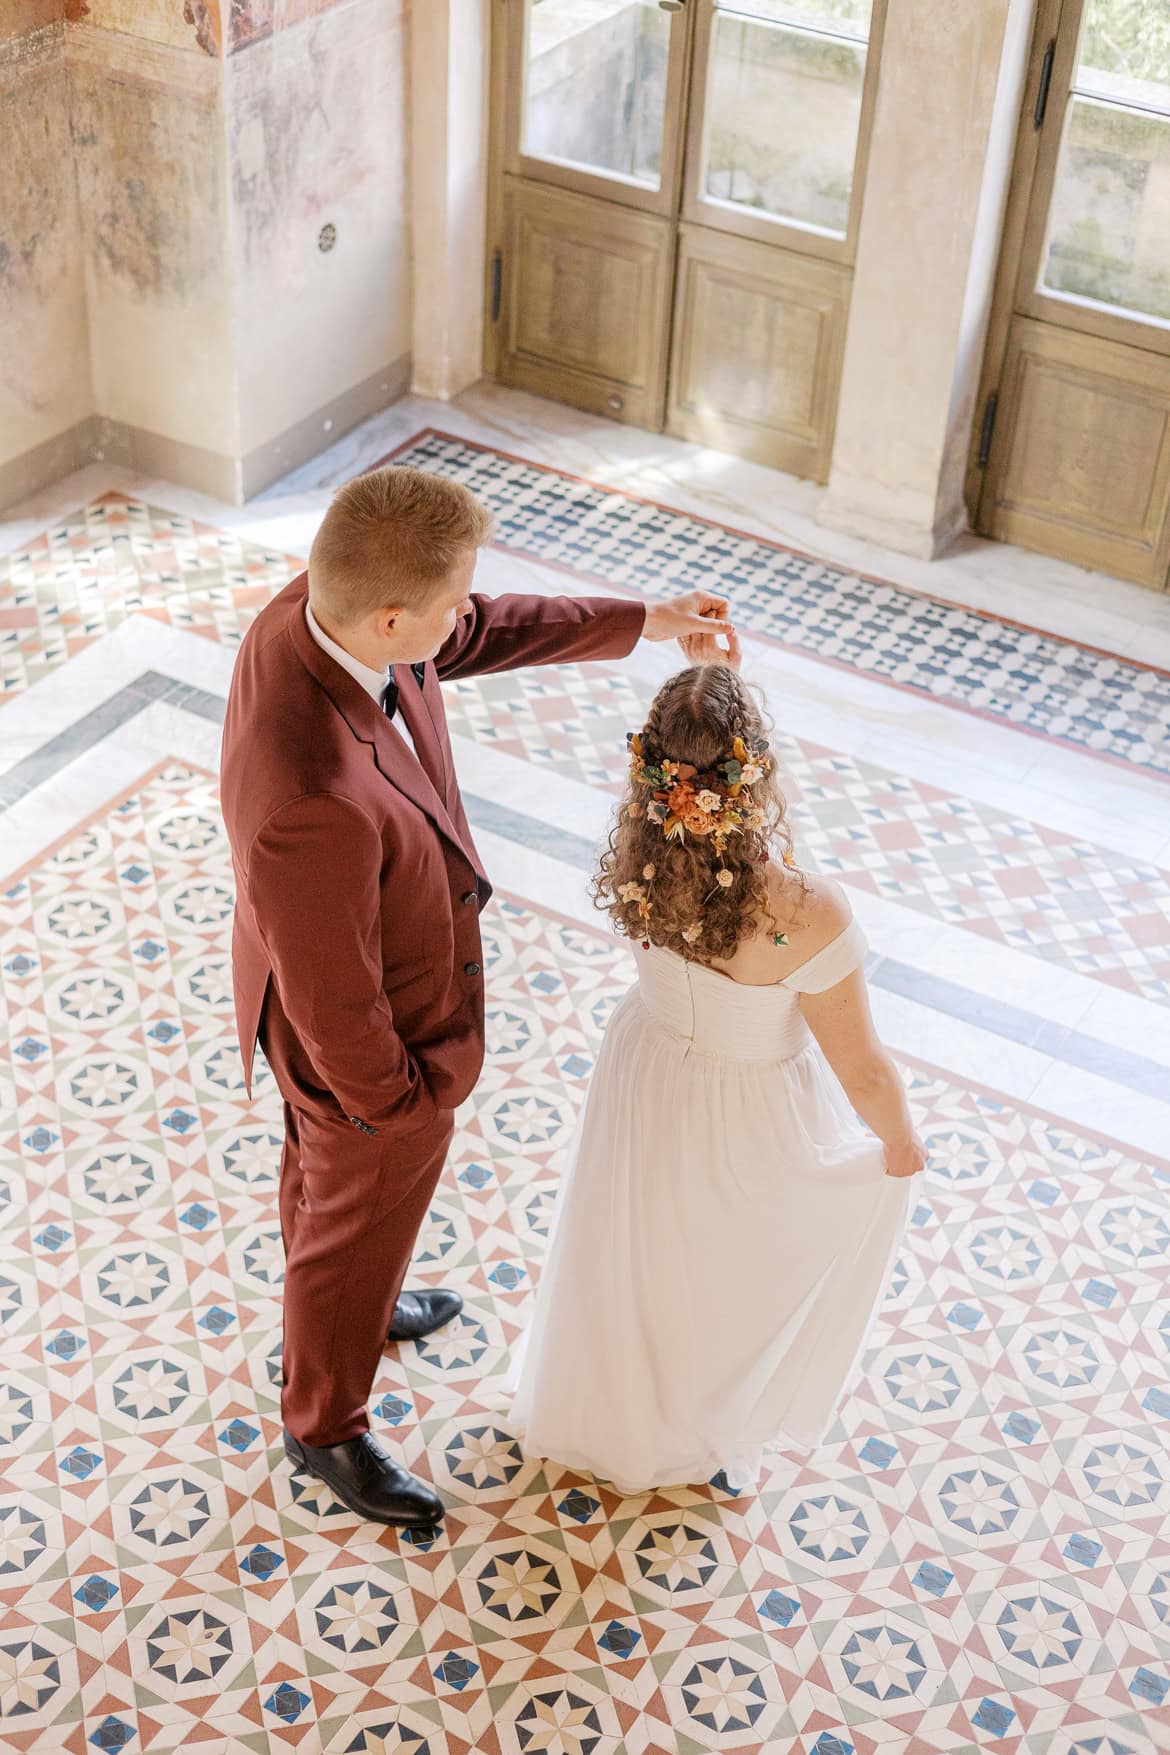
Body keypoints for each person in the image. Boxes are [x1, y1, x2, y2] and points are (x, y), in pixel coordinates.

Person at [219, 464, 728, 1527]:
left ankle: (354, 1301)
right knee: (348, 1197)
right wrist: (405, 1108)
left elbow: (482, 629)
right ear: (394, 614)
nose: (466, 615)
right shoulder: (308, 795)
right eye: (449, 602)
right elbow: (337, 1003)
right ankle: (324, 1422)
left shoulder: (327, 610)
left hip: (338, 973)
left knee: (336, 1209)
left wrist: (646, 621)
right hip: (362, 1048)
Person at [510, 627, 927, 1493]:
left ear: (654, 774)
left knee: (638, 1254)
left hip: (648, 1068)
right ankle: (693, 1425)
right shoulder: (805, 909)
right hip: (747, 1108)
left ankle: (612, 1407)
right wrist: (901, 1141)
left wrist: (707, 691)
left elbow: (697, 780)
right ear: (758, 773)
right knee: (718, 1270)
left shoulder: (643, 850)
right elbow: (865, 1070)